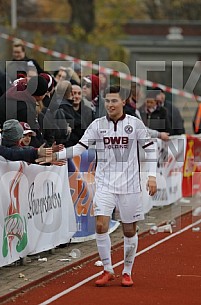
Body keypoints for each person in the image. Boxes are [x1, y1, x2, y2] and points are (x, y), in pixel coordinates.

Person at [42, 85, 157, 287]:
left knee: (129, 231)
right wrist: (56, 155)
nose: (110, 104)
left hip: (130, 186)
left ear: (123, 101)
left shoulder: (134, 124)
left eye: (114, 101)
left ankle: (127, 271)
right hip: (105, 184)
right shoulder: (97, 125)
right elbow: (79, 147)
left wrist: (152, 176)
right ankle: (107, 269)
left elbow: (151, 148)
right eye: (107, 101)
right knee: (101, 225)